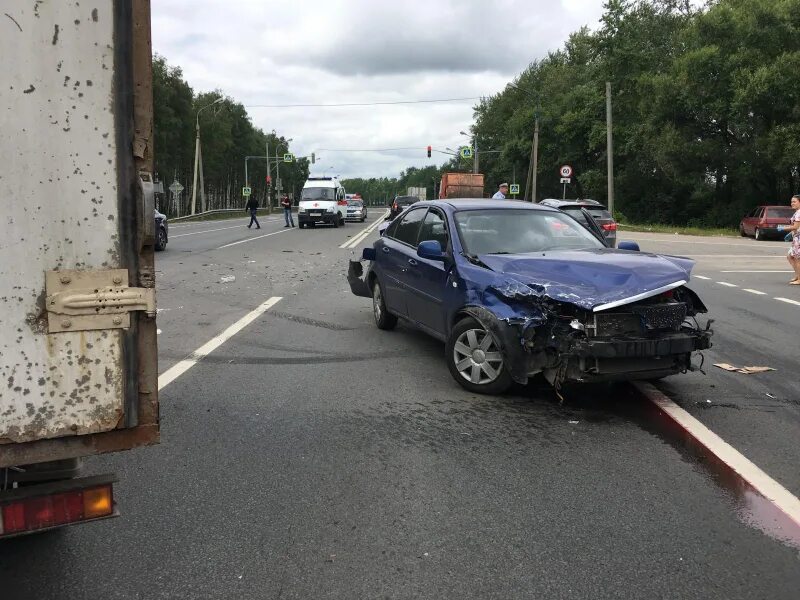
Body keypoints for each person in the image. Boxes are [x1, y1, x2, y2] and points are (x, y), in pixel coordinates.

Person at [777, 194, 800, 284]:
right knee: (790, 257)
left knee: (797, 259)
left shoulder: (799, 213)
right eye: (791, 201)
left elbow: (796, 226)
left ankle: (799, 279)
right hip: (796, 237)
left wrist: (783, 228)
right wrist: (790, 233)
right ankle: (798, 275)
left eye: (794, 201)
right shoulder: (797, 212)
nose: (792, 203)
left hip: (799, 239)